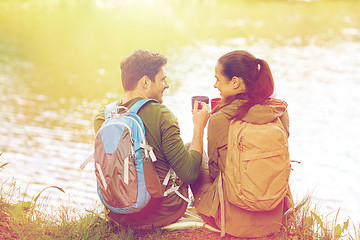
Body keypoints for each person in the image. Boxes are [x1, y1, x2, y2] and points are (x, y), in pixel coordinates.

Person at [93, 49, 210, 228]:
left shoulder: (105, 116)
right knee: (200, 150)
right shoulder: (161, 114)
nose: (167, 85)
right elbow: (190, 174)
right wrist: (199, 127)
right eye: (163, 79)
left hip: (118, 212)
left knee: (186, 146)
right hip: (160, 212)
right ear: (146, 82)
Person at [193, 50, 291, 238]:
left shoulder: (220, 119)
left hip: (233, 221)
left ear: (235, 82)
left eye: (218, 80)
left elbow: (215, 172)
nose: (215, 85)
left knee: (195, 156)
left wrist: (200, 126)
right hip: (274, 219)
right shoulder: (278, 112)